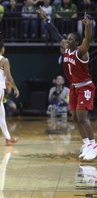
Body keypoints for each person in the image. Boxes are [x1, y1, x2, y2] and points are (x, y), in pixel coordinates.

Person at [37, 8, 96, 161]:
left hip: (85, 86)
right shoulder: (67, 49)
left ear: (76, 42)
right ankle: (86, 144)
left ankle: (94, 145)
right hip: (74, 87)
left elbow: (87, 40)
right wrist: (47, 19)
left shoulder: (81, 51)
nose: (67, 41)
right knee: (75, 117)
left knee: (83, 117)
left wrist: (87, 27)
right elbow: (56, 34)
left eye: (70, 39)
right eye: (67, 39)